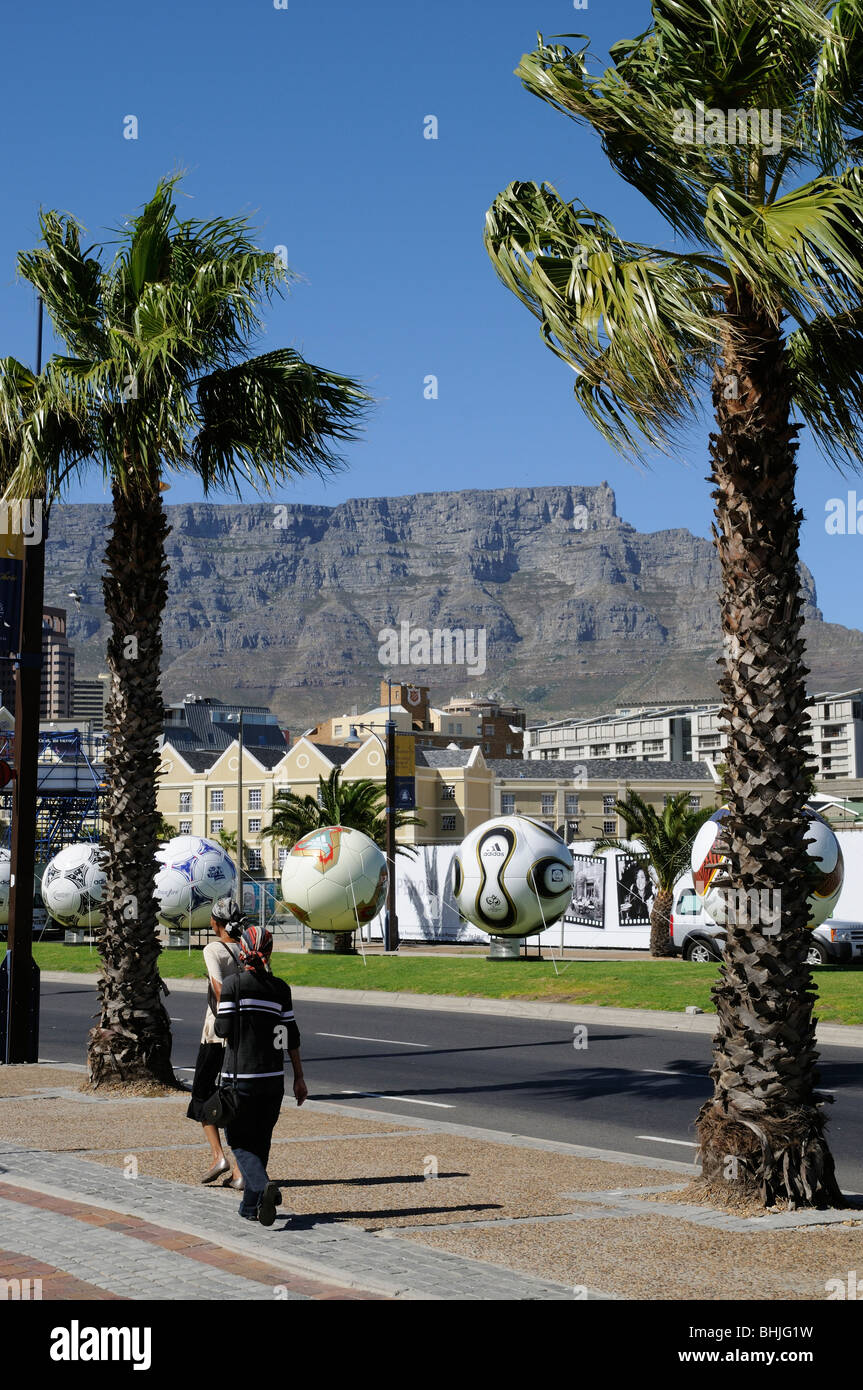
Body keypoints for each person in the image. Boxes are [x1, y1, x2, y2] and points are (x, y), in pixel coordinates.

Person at [214, 925, 307, 1224]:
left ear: (242, 951)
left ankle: (264, 1186)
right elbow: (289, 1037)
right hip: (273, 1081)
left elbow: (223, 1030)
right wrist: (299, 1078)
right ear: (269, 952)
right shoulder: (280, 989)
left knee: (238, 1140)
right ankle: (250, 1206)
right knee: (261, 1140)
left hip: (240, 1079)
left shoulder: (233, 985)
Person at [185, 896, 244, 1187]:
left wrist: (227, 1023)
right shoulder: (247, 948)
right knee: (237, 1097)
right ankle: (242, 1169)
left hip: (217, 1033)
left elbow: (219, 988)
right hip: (244, 1036)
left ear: (217, 923)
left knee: (202, 1092)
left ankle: (218, 1156)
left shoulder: (213, 949)